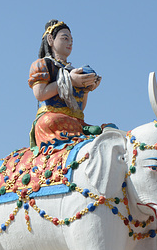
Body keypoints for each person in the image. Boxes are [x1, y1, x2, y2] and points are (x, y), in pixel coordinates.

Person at [28, 19, 102, 153]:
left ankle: (81, 131)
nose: (70, 43)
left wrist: (86, 88)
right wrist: (70, 80)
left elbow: (79, 107)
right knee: (50, 120)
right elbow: (40, 94)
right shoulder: (43, 64)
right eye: (65, 38)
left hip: (75, 120)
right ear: (51, 39)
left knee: (107, 130)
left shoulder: (73, 70)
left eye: (71, 40)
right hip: (53, 118)